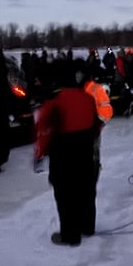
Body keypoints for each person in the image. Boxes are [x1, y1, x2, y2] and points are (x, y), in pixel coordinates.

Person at [34, 60, 102, 246]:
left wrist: (40, 154)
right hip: (85, 151)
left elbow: (43, 131)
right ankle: (87, 227)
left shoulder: (54, 102)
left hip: (62, 153)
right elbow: (98, 124)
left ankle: (71, 235)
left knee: (66, 195)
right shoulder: (88, 98)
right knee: (86, 190)